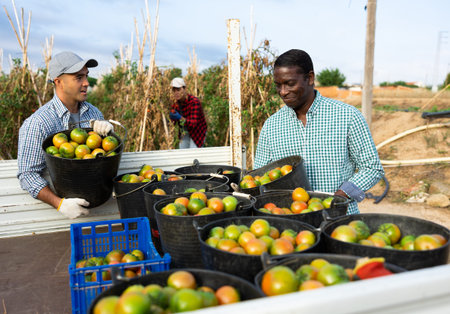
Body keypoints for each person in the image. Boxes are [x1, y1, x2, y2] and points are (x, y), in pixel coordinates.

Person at [254, 49, 384, 214]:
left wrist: (340, 197)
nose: (283, 92)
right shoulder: (271, 126)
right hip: (291, 226)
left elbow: (372, 167)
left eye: (290, 83)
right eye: (278, 85)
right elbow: (260, 179)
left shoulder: (347, 116)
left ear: (310, 78)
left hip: (339, 221)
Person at [17, 51, 114, 219]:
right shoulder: (38, 123)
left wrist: (109, 133)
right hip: (62, 216)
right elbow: (27, 174)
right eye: (78, 78)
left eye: (86, 76)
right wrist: (59, 203)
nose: (86, 83)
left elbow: (105, 154)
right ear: (59, 82)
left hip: (100, 205)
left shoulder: (93, 113)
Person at [169, 77, 207, 148]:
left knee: (193, 153)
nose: (176, 93)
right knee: (183, 153)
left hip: (197, 131)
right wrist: (171, 119)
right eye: (174, 90)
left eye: (178, 90)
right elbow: (173, 124)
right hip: (184, 130)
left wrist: (179, 118)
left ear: (184, 89)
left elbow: (193, 124)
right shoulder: (175, 104)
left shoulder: (194, 102)